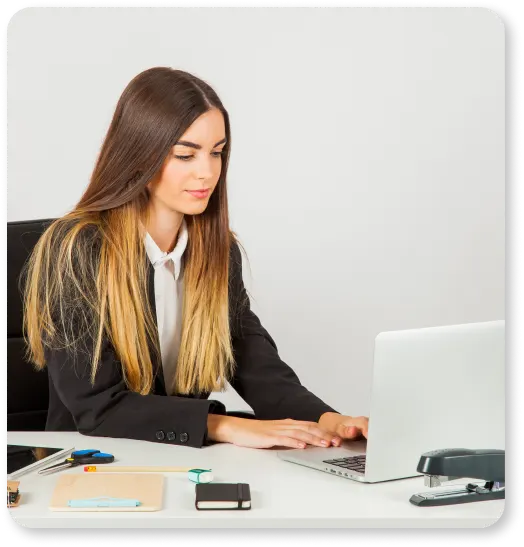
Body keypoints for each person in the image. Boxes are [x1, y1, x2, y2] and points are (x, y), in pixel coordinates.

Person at [22, 67, 369, 450]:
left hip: (179, 461)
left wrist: (331, 420)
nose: (207, 172)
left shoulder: (218, 253)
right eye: (185, 155)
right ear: (140, 154)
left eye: (217, 153)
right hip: (89, 463)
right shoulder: (77, 250)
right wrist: (223, 425)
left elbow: (255, 365)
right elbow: (98, 408)